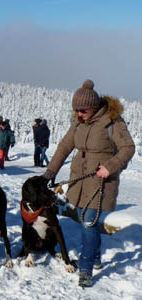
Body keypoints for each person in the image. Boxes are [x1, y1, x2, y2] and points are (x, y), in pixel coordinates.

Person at [42, 79, 135, 287]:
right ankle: (96, 256)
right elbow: (65, 147)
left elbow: (128, 148)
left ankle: (86, 268)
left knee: (88, 222)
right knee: (87, 220)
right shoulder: (78, 122)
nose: (78, 115)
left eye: (82, 111)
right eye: (76, 111)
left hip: (101, 181)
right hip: (80, 179)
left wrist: (110, 166)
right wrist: (50, 173)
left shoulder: (113, 122)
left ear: (93, 108)